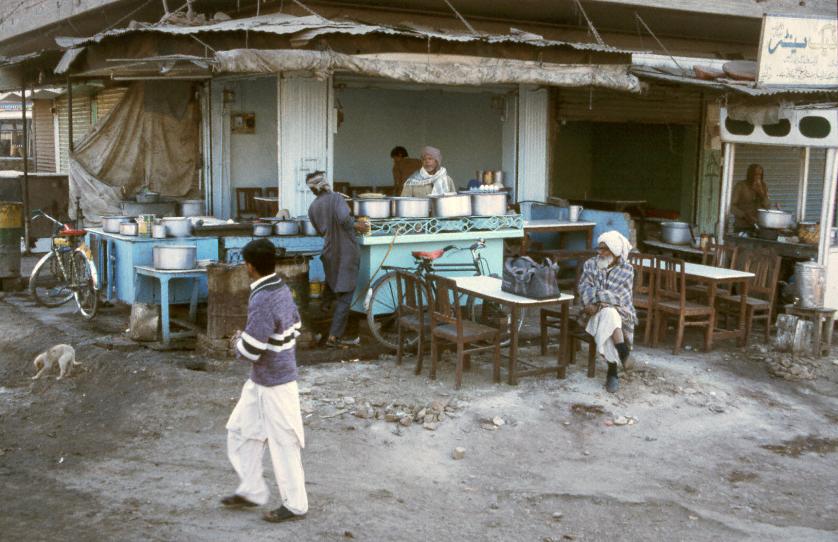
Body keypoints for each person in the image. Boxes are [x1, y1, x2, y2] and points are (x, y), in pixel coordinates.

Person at [223, 239, 308, 523]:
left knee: (284, 443)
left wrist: (236, 341)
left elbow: (250, 350)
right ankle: (251, 491)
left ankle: (295, 506)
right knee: (239, 430)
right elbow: (296, 326)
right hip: (264, 379)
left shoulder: (262, 298)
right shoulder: (281, 288)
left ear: (249, 266)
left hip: (277, 383)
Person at [306, 171, 369, 348]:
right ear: (326, 184)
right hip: (345, 251)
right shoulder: (336, 199)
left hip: (329, 252)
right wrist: (359, 225)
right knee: (345, 295)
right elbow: (344, 220)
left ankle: (319, 327)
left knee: (333, 287)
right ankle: (334, 336)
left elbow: (320, 229)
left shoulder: (313, 207)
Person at [577, 231, 636, 393]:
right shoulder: (591, 264)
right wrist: (598, 302)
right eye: (599, 248)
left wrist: (598, 302)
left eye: (605, 249)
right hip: (591, 312)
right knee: (609, 314)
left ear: (615, 252)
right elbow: (584, 287)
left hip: (620, 313)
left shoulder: (627, 270)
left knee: (610, 313)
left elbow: (618, 297)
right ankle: (622, 353)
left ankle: (613, 370)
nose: (600, 253)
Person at [730, 163, 769, 231]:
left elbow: (768, 207)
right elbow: (732, 207)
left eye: (760, 175)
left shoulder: (763, 186)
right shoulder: (741, 186)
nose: (758, 177)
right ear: (750, 175)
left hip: (758, 226)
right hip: (742, 226)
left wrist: (761, 194)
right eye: (755, 174)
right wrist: (744, 216)